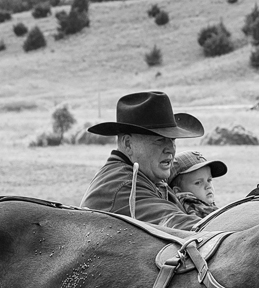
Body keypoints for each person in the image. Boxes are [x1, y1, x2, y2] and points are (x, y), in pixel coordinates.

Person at [81, 91, 204, 228]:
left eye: (172, 139)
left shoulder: (147, 176)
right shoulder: (123, 187)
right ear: (128, 144)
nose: (170, 149)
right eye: (159, 140)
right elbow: (182, 226)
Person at [167, 151, 227, 220]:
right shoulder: (194, 209)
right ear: (178, 191)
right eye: (198, 183)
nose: (208, 186)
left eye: (209, 180)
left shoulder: (205, 205)